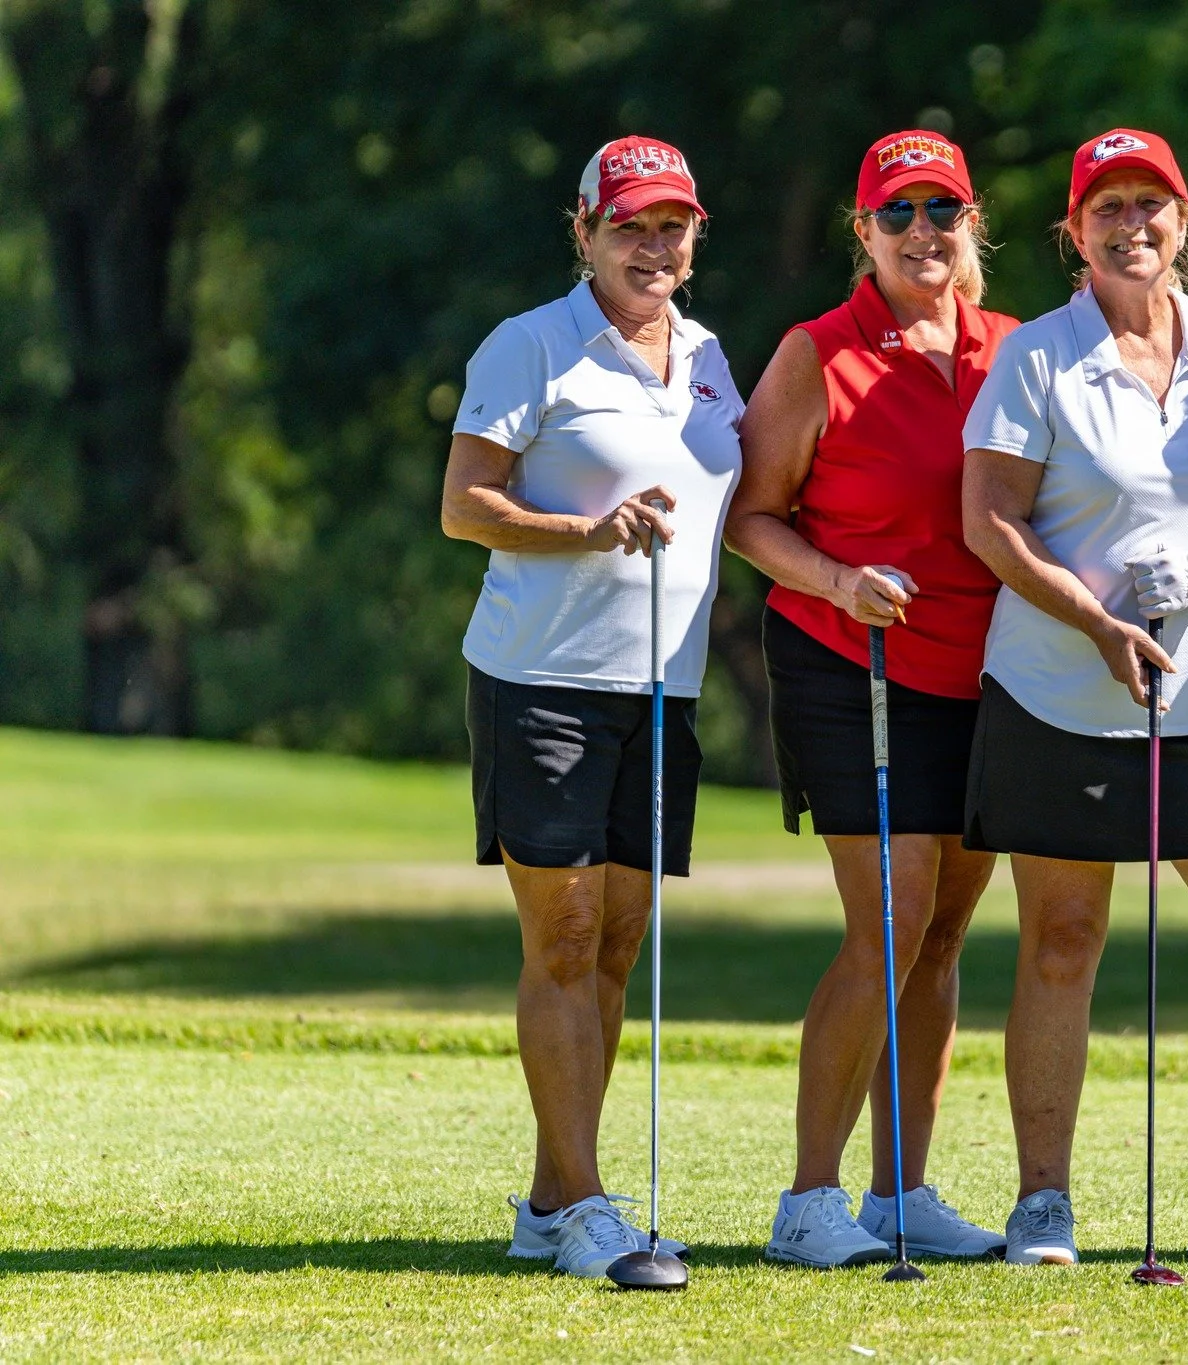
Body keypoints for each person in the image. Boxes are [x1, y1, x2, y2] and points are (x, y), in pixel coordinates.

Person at [961, 128, 1188, 1268]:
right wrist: (1092, 618)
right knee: (1062, 938)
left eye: (1151, 204)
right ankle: (1042, 1205)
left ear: (1185, 221)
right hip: (1059, 689)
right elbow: (990, 520)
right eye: (1106, 205)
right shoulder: (1036, 354)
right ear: (1073, 230)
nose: (1132, 224)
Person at [439, 136, 741, 1278]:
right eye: (629, 226)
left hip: (662, 686)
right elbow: (467, 506)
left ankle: (548, 1199)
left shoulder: (713, 358)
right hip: (542, 679)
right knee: (562, 937)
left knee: (615, 946)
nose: (652, 245)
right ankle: (585, 1207)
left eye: (671, 225)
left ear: (694, 234)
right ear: (584, 232)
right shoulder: (532, 346)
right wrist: (586, 531)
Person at [726, 130, 1018, 1268]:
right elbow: (752, 517)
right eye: (895, 215)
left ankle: (902, 1191)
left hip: (977, 672)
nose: (919, 233)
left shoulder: (1008, 352)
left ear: (969, 222)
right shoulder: (817, 353)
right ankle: (811, 1198)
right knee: (887, 926)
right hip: (853, 664)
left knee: (941, 934)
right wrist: (840, 582)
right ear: (864, 232)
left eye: (939, 209)